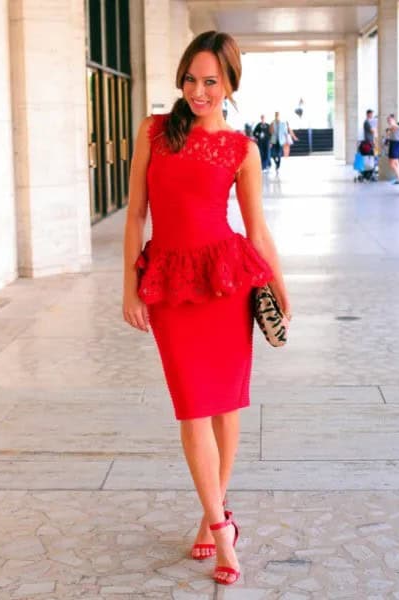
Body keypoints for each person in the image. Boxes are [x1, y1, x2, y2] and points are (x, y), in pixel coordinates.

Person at [122, 31, 291, 586]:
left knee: (225, 407)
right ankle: (225, 534)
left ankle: (210, 515)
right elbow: (134, 215)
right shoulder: (153, 132)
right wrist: (129, 286)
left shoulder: (241, 149)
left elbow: (257, 229)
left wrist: (281, 287)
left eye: (210, 81)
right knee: (191, 406)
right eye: (191, 79)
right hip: (169, 284)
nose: (197, 90)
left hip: (225, 286)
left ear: (230, 84)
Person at [385, 114, 399, 184]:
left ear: (394, 120)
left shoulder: (398, 128)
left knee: (392, 163)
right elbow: (388, 138)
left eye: (390, 120)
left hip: (396, 145)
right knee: (395, 163)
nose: (389, 122)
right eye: (388, 121)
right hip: (392, 144)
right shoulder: (390, 128)